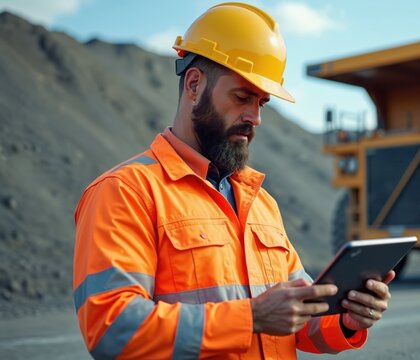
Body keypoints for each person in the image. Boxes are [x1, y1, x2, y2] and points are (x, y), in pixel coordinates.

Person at [73, 2, 394, 359]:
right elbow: (113, 331)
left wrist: (348, 317)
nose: (255, 117)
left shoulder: (260, 203)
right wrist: (250, 318)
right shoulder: (125, 192)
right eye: (242, 97)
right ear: (194, 84)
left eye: (262, 103)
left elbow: (299, 323)